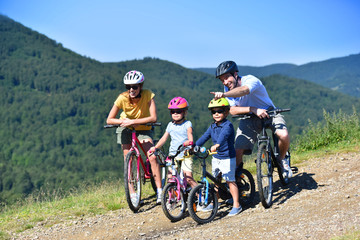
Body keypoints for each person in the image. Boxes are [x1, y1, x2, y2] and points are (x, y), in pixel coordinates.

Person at [210, 61, 292, 178]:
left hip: (270, 112)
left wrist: (224, 95)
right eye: (222, 80)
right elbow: (232, 110)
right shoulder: (227, 89)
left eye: (227, 77)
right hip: (249, 117)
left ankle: (282, 159)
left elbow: (244, 90)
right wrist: (253, 109)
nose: (225, 82)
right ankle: (237, 179)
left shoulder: (250, 80)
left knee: (283, 135)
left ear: (235, 74)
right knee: (237, 150)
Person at [106, 70, 163, 204]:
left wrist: (134, 121)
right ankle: (133, 194)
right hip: (126, 128)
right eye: (128, 87)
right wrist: (123, 122)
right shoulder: (121, 98)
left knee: (152, 156)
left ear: (141, 86)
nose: (131, 89)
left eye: (135, 86)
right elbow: (109, 119)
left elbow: (154, 117)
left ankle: (160, 190)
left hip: (143, 128)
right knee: (128, 161)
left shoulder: (148, 95)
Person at [195, 98, 242, 217]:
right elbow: (205, 136)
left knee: (230, 180)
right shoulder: (212, 126)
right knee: (216, 180)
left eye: (219, 111)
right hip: (216, 157)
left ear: (226, 112)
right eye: (213, 112)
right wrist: (194, 146)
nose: (216, 114)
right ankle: (214, 201)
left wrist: (217, 145)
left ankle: (237, 205)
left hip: (227, 157)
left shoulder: (228, 125)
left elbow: (223, 136)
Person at [149, 97, 197, 189]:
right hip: (173, 155)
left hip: (185, 154)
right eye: (172, 111)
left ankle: (200, 195)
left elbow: (190, 134)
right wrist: (156, 147)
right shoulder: (170, 125)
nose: (175, 114)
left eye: (178, 111)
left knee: (188, 178)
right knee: (170, 178)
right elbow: (164, 138)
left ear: (185, 112)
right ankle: (172, 200)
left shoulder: (187, 124)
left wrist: (190, 142)